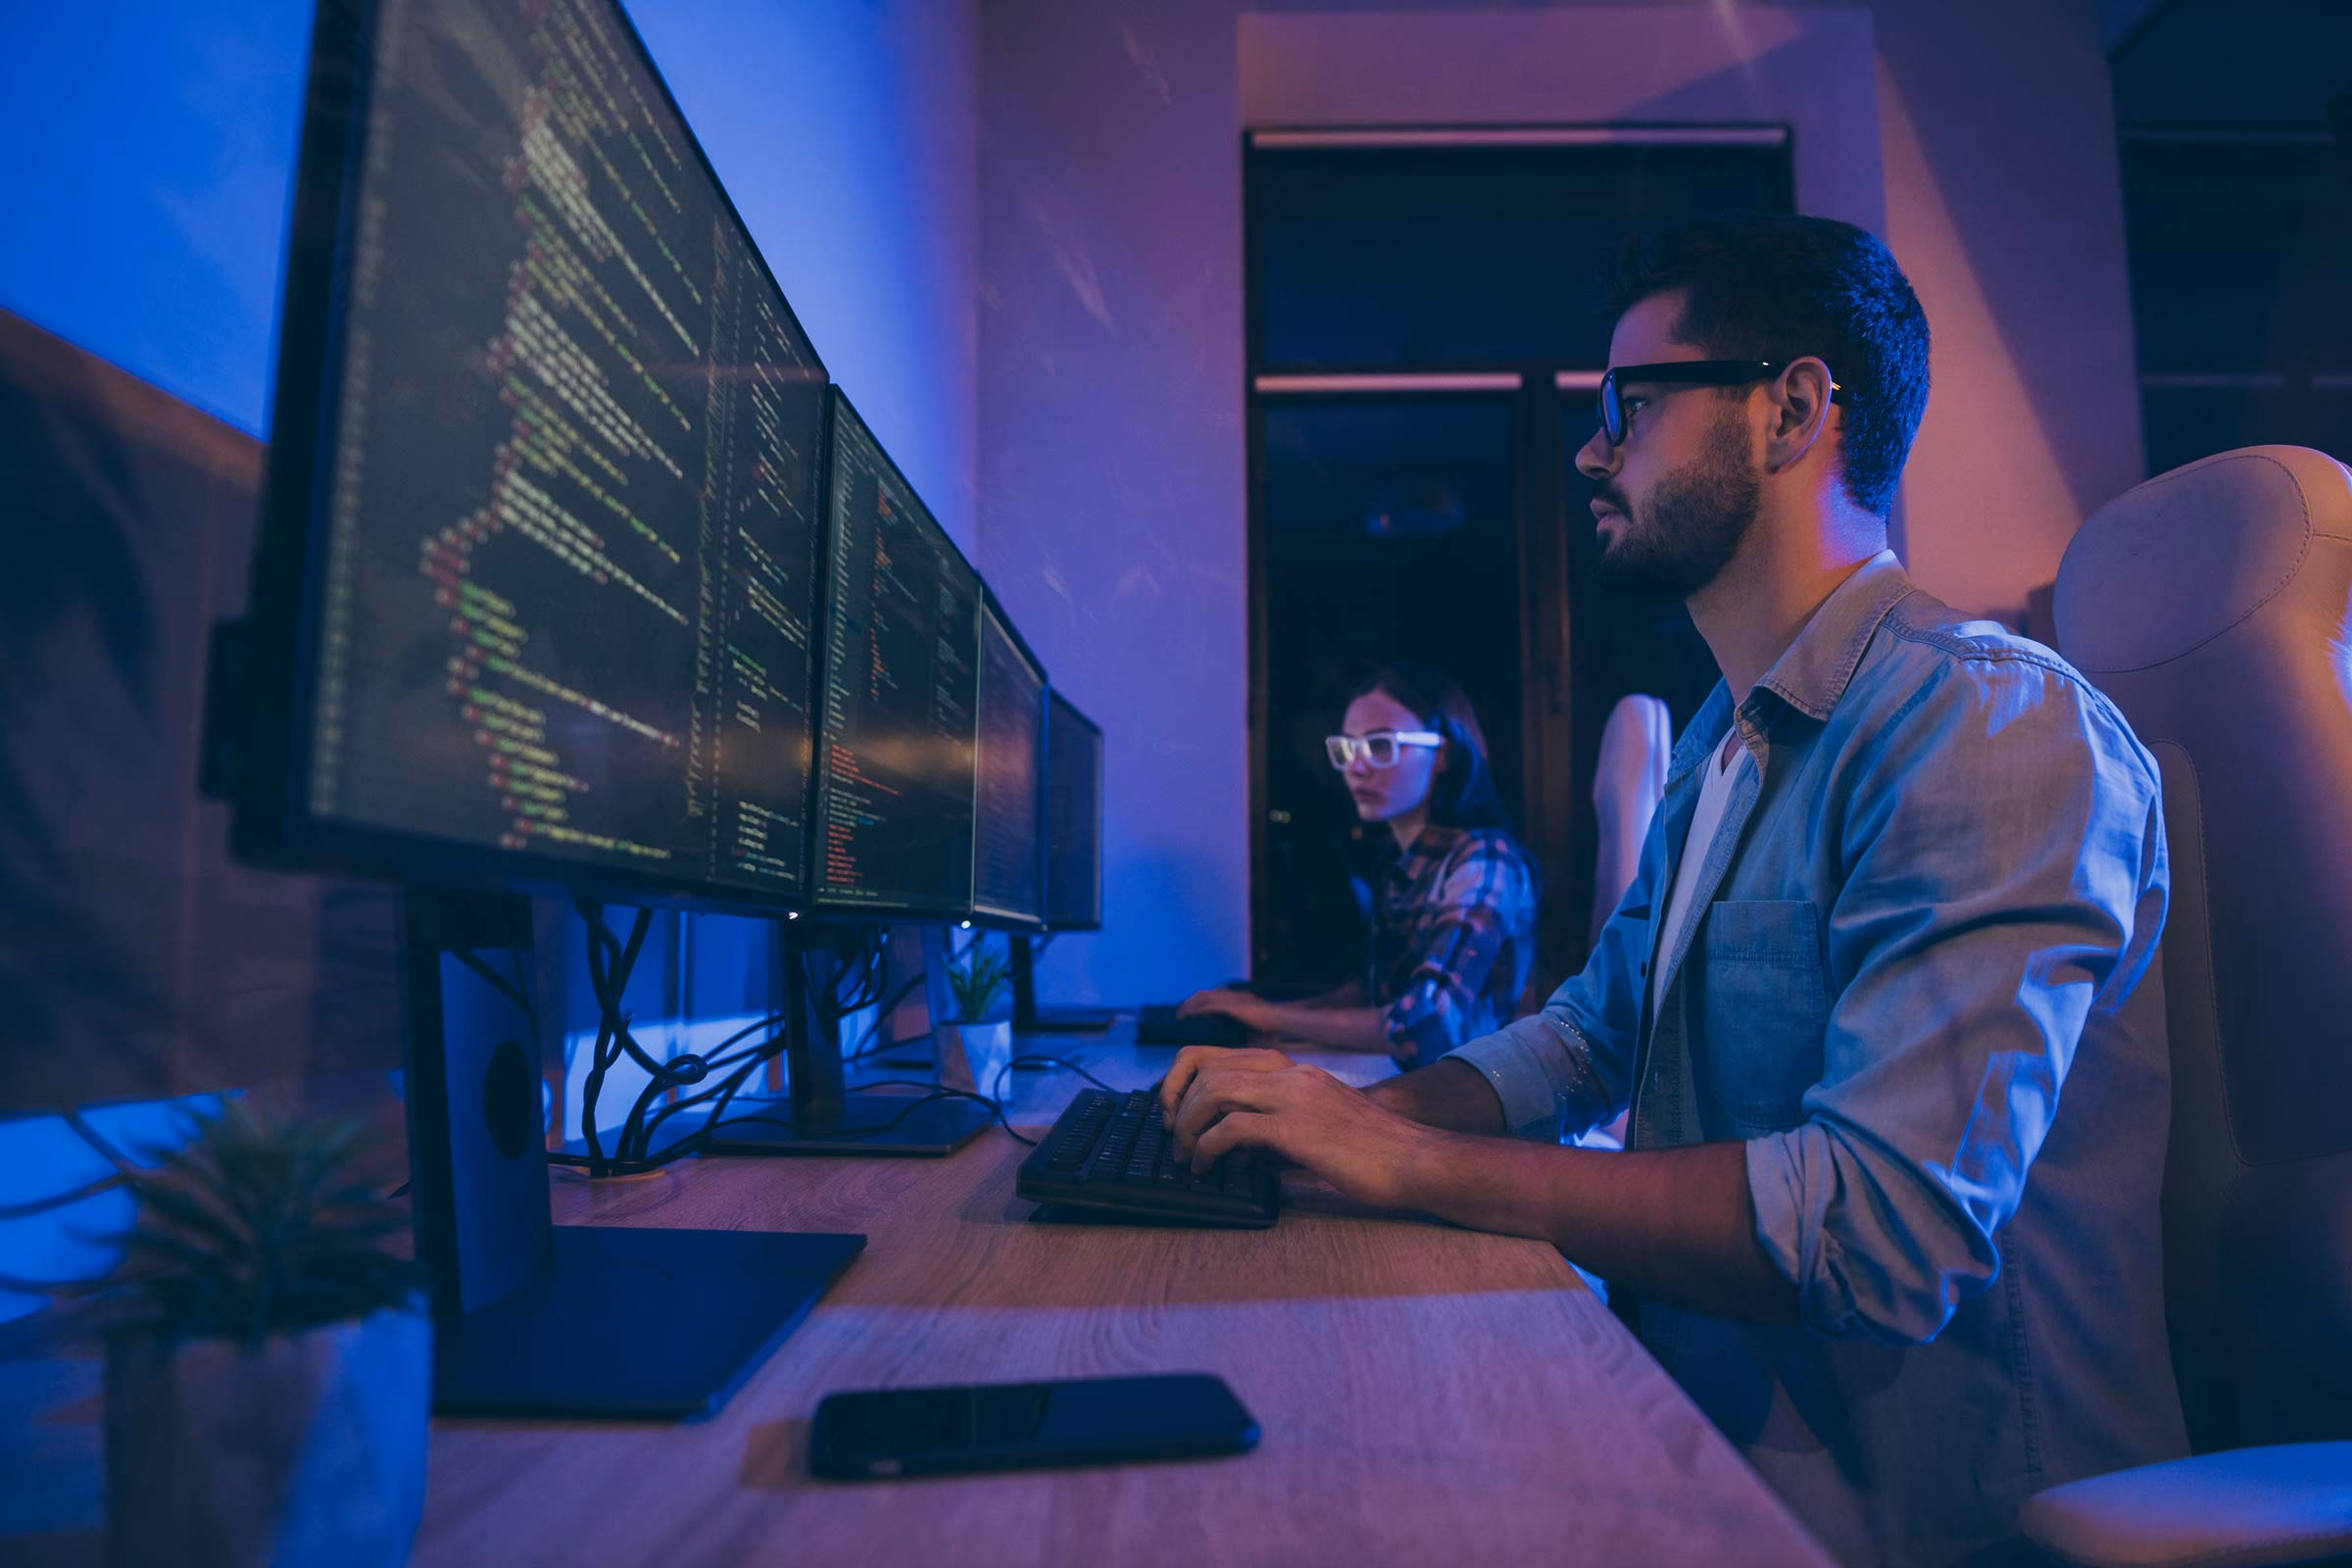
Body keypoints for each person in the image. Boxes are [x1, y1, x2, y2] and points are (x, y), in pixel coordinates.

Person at [1158, 213, 2187, 1567]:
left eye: (1631, 404)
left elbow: (1880, 1232)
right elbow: (1592, 1034)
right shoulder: (1726, 743)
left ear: (1795, 410)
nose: (1595, 449)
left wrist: (1406, 1158)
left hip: (1927, 1520)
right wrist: (1334, 1126)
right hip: (1693, 1432)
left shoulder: (1986, 731)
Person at [1176, 665, 1538, 1068]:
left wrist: (1274, 1017)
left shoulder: (1485, 861)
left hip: (1473, 1100)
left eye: (1381, 745)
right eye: (1348, 747)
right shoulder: (1397, 865)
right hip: (1411, 1085)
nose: (1356, 766)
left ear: (1444, 755)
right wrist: (1266, 1011)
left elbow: (1423, 1024)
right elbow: (1377, 996)